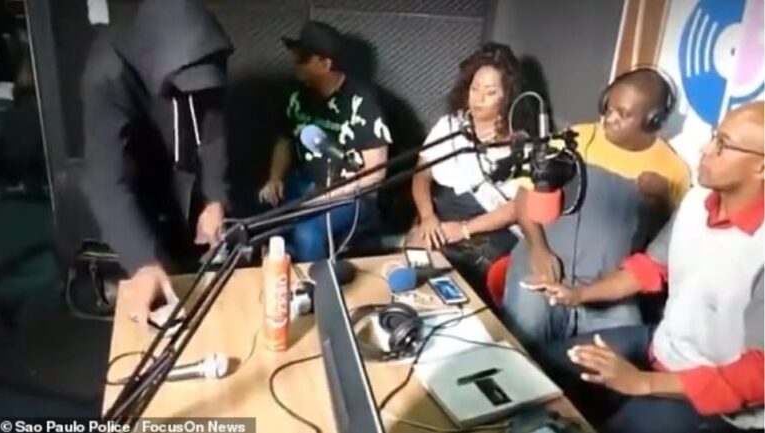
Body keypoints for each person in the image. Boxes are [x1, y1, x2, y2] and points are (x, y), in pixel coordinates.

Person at [535, 101, 764, 433]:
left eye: (723, 145)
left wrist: (642, 383)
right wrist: (579, 294)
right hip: (661, 347)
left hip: (716, 404)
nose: (705, 149)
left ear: (761, 167)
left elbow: (758, 375)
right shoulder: (697, 201)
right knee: (536, 372)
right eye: (714, 137)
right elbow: (650, 267)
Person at [502, 68, 691, 346]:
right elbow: (524, 197)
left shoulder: (672, 170)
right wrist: (538, 250)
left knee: (625, 348)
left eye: (623, 114)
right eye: (608, 108)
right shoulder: (573, 140)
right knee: (521, 349)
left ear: (652, 120)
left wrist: (661, 200)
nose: (609, 118)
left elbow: (663, 249)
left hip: (607, 293)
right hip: (542, 273)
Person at [81, 0, 233, 325]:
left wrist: (216, 198)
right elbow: (107, 181)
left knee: (192, 272)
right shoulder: (106, 74)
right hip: (135, 171)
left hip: (180, 166)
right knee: (152, 269)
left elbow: (213, 134)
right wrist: (142, 261)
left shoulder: (206, 55)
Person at [257, 21, 391, 262]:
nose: (296, 65)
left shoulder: (362, 103)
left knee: (307, 233)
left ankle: (314, 282)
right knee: (263, 218)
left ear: (325, 64)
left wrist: (328, 196)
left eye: (303, 59)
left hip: (351, 195)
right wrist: (275, 178)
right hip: (305, 183)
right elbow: (285, 138)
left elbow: (375, 174)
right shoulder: (297, 93)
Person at [408, 43, 530, 293]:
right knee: (416, 255)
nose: (478, 98)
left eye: (490, 92)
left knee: (460, 275)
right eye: (475, 89)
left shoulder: (521, 145)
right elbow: (422, 174)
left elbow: (517, 208)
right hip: (443, 211)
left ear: (508, 97)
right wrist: (428, 216)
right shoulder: (450, 125)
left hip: (490, 226)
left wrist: (463, 230)